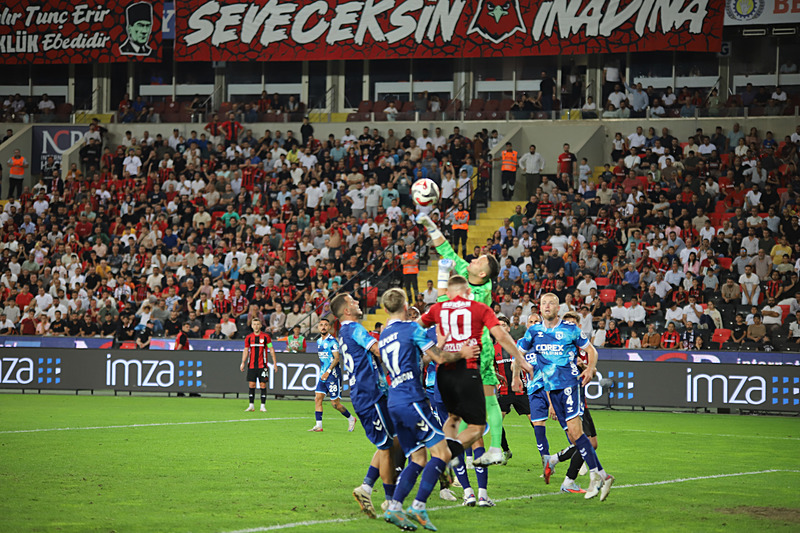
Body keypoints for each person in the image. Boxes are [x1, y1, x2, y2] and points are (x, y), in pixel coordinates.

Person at [418, 276, 532, 507]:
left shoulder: (438, 309)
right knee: (476, 435)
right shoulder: (477, 308)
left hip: (443, 380)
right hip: (469, 374)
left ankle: (467, 490)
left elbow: (413, 331)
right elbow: (501, 335)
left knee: (454, 428)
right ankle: (480, 492)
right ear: (467, 291)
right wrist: (521, 359)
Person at [379, 287, 477, 531]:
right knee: (442, 454)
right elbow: (439, 358)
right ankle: (418, 505)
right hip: (412, 399)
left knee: (418, 457)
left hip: (395, 402)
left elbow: (417, 361)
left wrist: (436, 345)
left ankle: (394, 507)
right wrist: (462, 352)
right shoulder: (412, 328)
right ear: (405, 307)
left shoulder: (384, 334)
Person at [417, 212, 508, 467]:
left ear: (482, 275)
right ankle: (456, 451)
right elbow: (446, 250)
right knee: (461, 405)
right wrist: (429, 224)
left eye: (479, 261)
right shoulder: (470, 282)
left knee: (489, 399)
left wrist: (444, 286)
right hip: (462, 349)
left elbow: (447, 301)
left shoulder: (480, 290)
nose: (474, 259)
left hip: (479, 349)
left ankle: (495, 448)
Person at [516, 293, 614, 501]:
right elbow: (518, 352)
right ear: (539, 308)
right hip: (552, 391)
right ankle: (602, 476)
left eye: (551, 303)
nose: (547, 306)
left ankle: (597, 476)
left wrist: (591, 368)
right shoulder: (534, 331)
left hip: (570, 386)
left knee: (578, 434)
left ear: (558, 308)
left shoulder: (570, 329)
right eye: (543, 303)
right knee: (574, 437)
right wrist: (518, 374)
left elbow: (591, 350)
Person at [331, 293, 397, 519]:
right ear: (346, 310)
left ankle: (367, 488)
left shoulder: (344, 331)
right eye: (353, 301)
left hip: (370, 393)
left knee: (387, 443)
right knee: (388, 448)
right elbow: (378, 350)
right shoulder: (354, 329)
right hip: (370, 395)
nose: (357, 302)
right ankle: (390, 501)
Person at [308, 317, 357, 432]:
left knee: (335, 404)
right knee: (318, 398)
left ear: (329, 327)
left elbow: (336, 359)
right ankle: (318, 426)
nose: (323, 327)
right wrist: (323, 372)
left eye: (326, 325)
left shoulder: (332, 342)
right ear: (318, 327)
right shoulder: (319, 341)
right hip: (323, 375)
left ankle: (351, 418)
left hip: (333, 376)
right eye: (321, 325)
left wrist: (328, 371)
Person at [239, 317, 277, 412]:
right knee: (251, 385)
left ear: (260, 325)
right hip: (251, 365)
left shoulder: (266, 337)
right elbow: (246, 350)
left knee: (262, 385)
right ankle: (251, 405)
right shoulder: (248, 338)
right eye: (254, 324)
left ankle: (262, 406)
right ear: (252, 326)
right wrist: (243, 362)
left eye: (257, 324)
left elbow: (271, 349)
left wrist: (275, 363)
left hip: (263, 365)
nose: (256, 326)